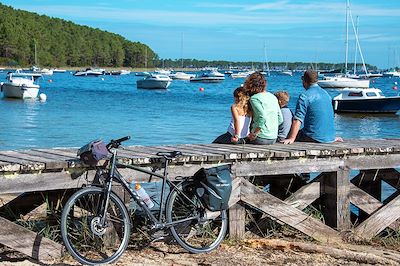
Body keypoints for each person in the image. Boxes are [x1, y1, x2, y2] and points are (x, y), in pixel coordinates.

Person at [282, 70, 340, 144]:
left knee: (285, 135)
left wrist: (291, 138)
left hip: (313, 137)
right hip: (329, 137)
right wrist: (330, 137)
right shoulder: (326, 94)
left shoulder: (305, 96)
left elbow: (297, 120)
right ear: (317, 80)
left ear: (304, 80)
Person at [243, 72, 283, 145]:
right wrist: (271, 129)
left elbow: (262, 117)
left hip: (260, 138)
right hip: (273, 138)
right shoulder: (273, 97)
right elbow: (280, 119)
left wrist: (255, 133)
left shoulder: (254, 98)